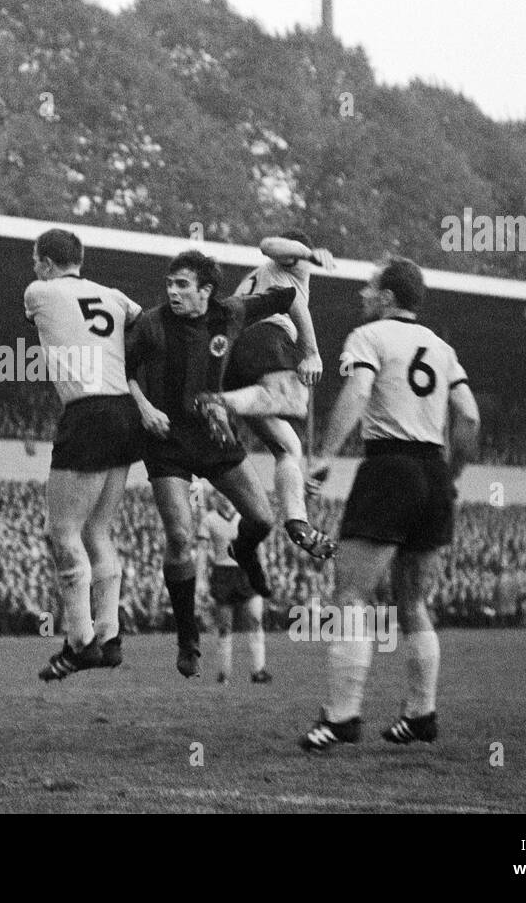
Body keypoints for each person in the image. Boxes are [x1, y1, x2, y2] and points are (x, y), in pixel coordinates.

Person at [299, 257, 479, 751]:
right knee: (413, 601)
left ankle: (341, 716)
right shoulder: (443, 349)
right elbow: (468, 417)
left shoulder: (370, 337)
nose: (362, 293)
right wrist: (452, 474)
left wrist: (324, 457)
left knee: (352, 594)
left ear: (387, 297)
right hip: (433, 472)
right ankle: (421, 714)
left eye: (370, 286)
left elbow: (358, 392)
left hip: (389, 467)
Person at [126, 249, 309, 677]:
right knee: (179, 534)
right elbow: (127, 370)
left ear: (205, 290)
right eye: (170, 284)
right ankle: (188, 637)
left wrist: (310, 351)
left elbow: (290, 297)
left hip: (215, 435)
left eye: (183, 285)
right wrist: (144, 407)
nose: (173, 292)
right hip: (167, 439)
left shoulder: (231, 314)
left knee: (263, 519)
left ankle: (245, 550)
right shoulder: (152, 324)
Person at [24, 228, 145, 680]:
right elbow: (141, 324)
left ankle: (80, 642)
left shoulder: (39, 291)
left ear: (48, 263)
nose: (35, 269)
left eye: (37, 260)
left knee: (63, 531)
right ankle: (110, 636)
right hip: (123, 411)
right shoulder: (113, 295)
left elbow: (42, 322)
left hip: (87, 411)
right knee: (98, 529)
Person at [216, 230, 337, 560]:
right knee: (295, 397)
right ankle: (221, 403)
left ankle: (297, 522)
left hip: (235, 355)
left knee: (289, 447)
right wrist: (309, 254)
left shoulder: (252, 279)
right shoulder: (289, 264)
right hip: (267, 336)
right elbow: (268, 244)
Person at [197, 488, 271, 685]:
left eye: (228, 494)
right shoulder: (209, 520)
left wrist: (263, 572)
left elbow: (259, 548)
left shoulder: (247, 518)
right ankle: (224, 673)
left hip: (247, 572)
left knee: (255, 619)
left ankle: (258, 671)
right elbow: (202, 552)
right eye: (221, 495)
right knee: (225, 626)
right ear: (215, 497)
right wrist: (200, 580)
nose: (226, 498)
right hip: (222, 574)